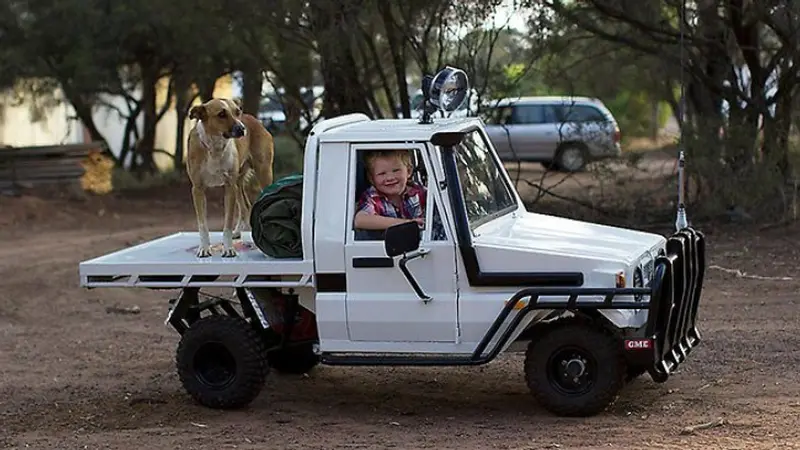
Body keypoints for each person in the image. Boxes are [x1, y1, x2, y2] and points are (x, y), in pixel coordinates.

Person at [354, 149, 427, 231]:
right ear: (371, 178)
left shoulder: (420, 192)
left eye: (396, 170)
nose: (390, 178)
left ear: (409, 171)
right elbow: (360, 220)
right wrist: (407, 223)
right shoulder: (372, 197)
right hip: (385, 243)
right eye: (382, 174)